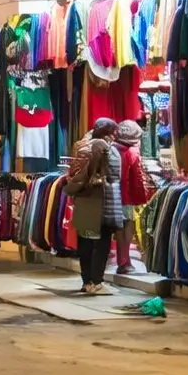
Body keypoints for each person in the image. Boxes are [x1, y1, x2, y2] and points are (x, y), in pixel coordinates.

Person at [68, 119, 123, 295]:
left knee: (84, 241)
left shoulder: (80, 147)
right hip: (101, 201)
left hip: (83, 199)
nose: (115, 136)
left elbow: (72, 172)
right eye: (113, 132)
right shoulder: (107, 149)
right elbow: (114, 175)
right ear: (108, 133)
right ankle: (97, 282)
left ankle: (86, 282)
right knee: (102, 242)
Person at [113, 120, 152, 274]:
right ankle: (124, 262)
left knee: (117, 229)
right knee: (126, 227)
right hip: (125, 197)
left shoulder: (111, 149)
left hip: (110, 195)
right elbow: (136, 179)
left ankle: (121, 261)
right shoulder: (132, 153)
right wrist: (141, 198)